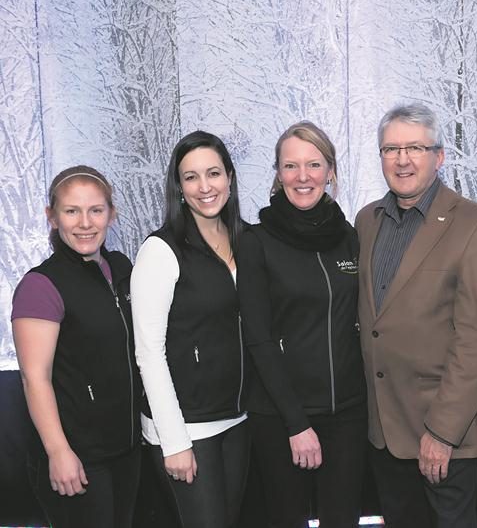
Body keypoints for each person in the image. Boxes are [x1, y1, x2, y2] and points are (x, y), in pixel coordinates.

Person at [355, 103, 477, 528]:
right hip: (383, 431)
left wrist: (442, 432)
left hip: (441, 435)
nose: (402, 160)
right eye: (391, 149)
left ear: (439, 157)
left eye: (415, 148)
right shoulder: (367, 221)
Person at [236, 121, 366, 528]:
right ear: (278, 174)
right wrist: (297, 424)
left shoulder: (349, 236)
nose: (303, 176)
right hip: (281, 418)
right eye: (291, 166)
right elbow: (256, 338)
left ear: (330, 171)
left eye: (313, 164)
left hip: (346, 414)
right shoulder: (255, 241)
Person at [131, 131, 249, 528]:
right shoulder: (161, 250)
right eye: (191, 177)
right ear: (178, 187)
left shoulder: (247, 240)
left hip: (237, 419)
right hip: (186, 427)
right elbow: (148, 352)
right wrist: (175, 440)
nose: (204, 187)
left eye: (213, 173)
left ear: (230, 178)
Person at [12, 166, 141, 528]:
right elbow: (34, 378)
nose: (85, 223)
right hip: (78, 457)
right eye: (71, 211)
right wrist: (58, 452)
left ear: (111, 215)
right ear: (51, 217)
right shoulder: (41, 286)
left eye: (96, 210)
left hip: (126, 449)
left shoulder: (120, 268)